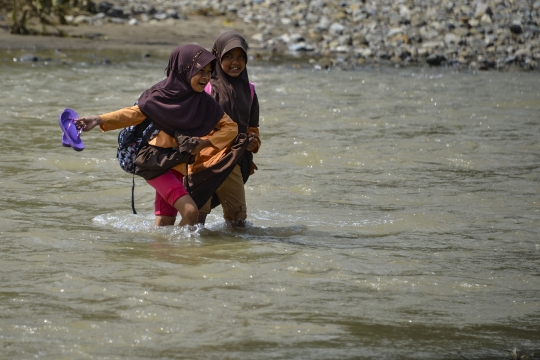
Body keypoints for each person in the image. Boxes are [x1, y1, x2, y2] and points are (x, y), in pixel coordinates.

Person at [75, 44, 238, 228]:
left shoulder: (205, 103)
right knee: (191, 212)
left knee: (165, 223)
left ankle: (162, 254)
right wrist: (99, 119)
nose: (206, 77)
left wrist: (205, 143)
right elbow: (134, 113)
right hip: (154, 162)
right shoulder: (160, 95)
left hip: (178, 163)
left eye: (209, 71)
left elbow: (231, 128)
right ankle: (184, 255)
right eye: (200, 71)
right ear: (184, 69)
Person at [194, 30, 261, 228]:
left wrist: (253, 141)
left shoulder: (249, 90)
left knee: (238, 221)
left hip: (233, 163)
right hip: (203, 163)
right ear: (216, 56)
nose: (236, 62)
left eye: (241, 57)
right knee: (197, 221)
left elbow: (252, 126)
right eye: (229, 56)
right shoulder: (204, 86)